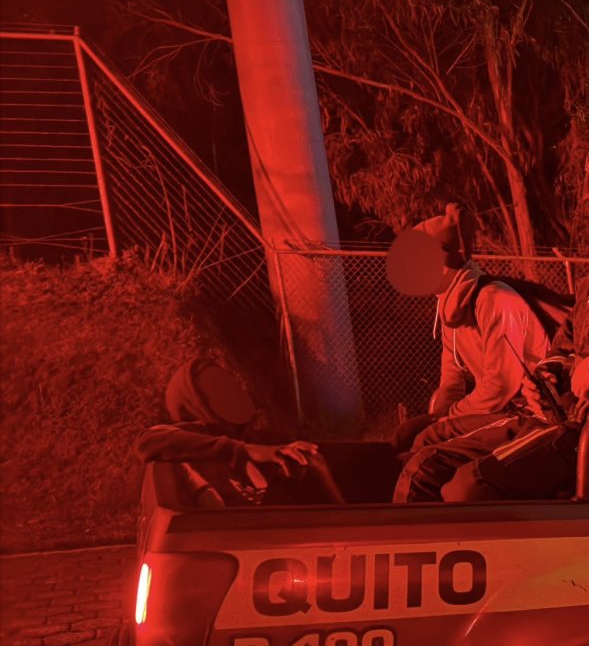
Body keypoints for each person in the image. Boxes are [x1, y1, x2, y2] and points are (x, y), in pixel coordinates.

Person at [393, 146, 589, 502]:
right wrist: (548, 375)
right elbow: (563, 348)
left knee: (469, 487)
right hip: (565, 421)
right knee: (426, 467)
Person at [386, 203, 552, 452]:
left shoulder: (494, 299)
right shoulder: (449, 306)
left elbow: (501, 386)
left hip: (528, 409)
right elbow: (452, 381)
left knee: (428, 442)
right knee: (405, 437)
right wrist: (438, 416)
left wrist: (448, 419)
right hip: (498, 408)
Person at [135, 357, 339, 505]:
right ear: (193, 401)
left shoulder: (268, 440)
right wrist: (244, 450)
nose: (229, 394)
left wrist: (317, 470)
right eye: (213, 389)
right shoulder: (195, 440)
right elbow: (147, 441)